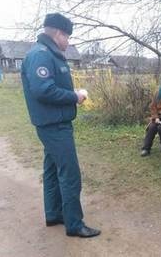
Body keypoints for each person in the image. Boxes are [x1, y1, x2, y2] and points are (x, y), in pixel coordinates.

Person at [21, 13, 100, 238]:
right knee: (70, 173)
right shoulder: (41, 55)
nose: (68, 42)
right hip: (54, 125)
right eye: (68, 37)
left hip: (53, 122)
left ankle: (54, 212)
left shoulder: (48, 54)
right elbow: (43, 90)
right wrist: (74, 96)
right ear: (58, 33)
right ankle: (74, 224)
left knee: (51, 170)